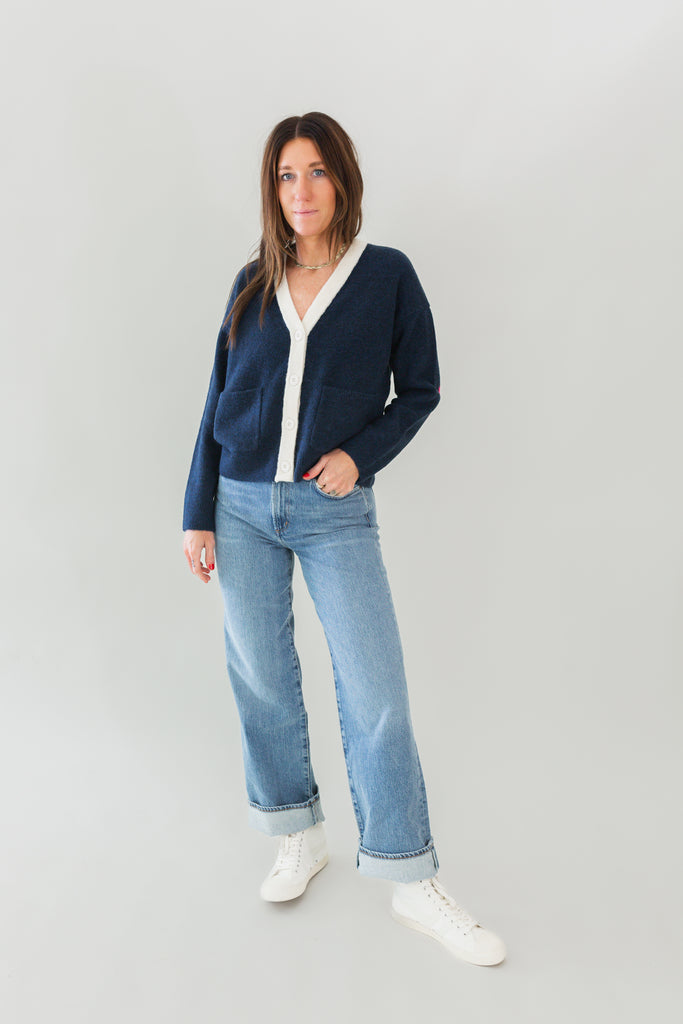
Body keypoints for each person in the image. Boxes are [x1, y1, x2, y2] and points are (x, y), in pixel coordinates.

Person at [182, 111, 506, 967]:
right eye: (286, 175)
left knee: (375, 689)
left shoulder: (386, 276)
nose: (301, 190)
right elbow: (216, 404)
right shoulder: (252, 281)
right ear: (273, 188)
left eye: (317, 171)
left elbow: (420, 390)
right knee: (260, 677)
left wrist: (358, 457)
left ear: (342, 181)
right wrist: (196, 512)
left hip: (333, 514)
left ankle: (409, 875)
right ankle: (299, 831)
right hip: (241, 506)